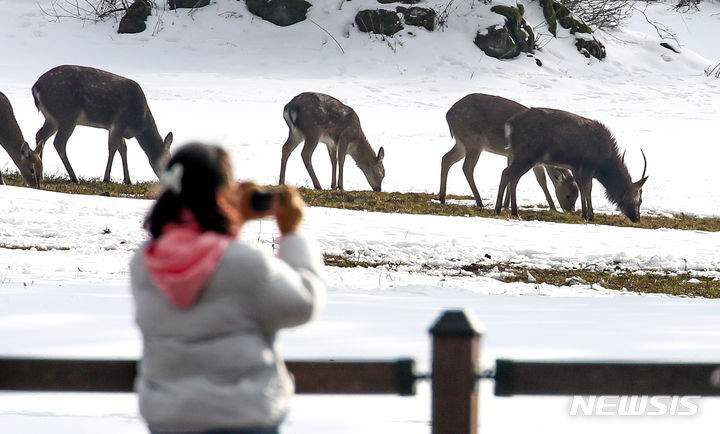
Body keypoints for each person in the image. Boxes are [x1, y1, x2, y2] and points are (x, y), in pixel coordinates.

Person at [130, 142, 326, 434]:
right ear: (221, 194)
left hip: (170, 419)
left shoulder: (146, 262)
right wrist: (291, 233)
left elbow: (203, 254)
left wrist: (231, 223)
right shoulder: (243, 262)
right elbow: (303, 304)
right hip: (243, 417)